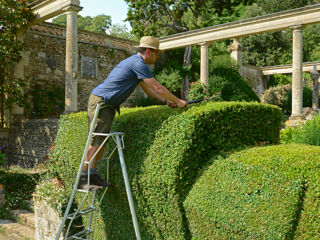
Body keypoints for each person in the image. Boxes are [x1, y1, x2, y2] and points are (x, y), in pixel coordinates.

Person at [78, 36, 188, 190]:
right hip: (102, 102)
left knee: (102, 140)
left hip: (107, 104)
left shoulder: (136, 65)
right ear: (148, 51)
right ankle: (84, 179)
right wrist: (178, 101)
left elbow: (149, 91)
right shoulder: (137, 63)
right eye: (157, 53)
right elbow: (157, 87)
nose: (158, 57)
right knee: (97, 140)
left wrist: (165, 102)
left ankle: (92, 174)